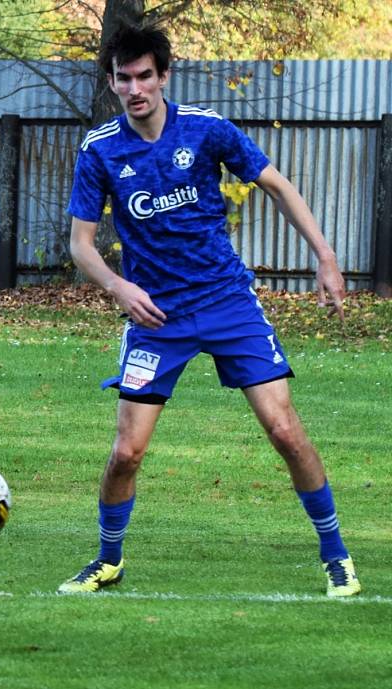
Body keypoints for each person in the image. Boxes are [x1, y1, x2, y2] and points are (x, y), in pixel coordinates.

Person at [58, 20, 360, 597]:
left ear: (164, 76)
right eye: (124, 78)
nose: (135, 88)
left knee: (285, 431)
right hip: (155, 317)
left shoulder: (207, 131)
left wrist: (324, 256)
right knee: (126, 452)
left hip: (227, 304)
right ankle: (107, 559)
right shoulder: (100, 150)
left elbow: (278, 185)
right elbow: (80, 244)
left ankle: (336, 554)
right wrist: (120, 288)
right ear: (112, 82)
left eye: (146, 76)